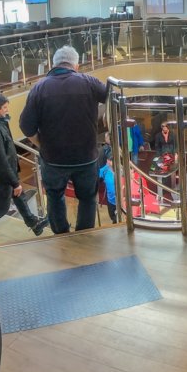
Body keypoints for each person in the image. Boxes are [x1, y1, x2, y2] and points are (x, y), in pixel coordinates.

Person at [20, 45, 108, 234]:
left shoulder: (39, 88)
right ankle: (84, 235)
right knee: (87, 198)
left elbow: (26, 126)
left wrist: (42, 144)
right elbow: (110, 95)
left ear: (54, 64)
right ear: (76, 66)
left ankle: (61, 235)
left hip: (53, 159)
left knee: (54, 197)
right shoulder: (89, 82)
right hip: (86, 157)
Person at [0, 93, 48, 244]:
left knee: (18, 195)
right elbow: (0, 160)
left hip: (5, 169)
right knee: (2, 206)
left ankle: (33, 224)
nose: (7, 110)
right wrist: (14, 182)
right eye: (5, 108)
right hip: (1, 172)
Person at [98, 155, 117, 223]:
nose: (109, 162)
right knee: (112, 216)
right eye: (109, 160)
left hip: (121, 201)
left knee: (117, 219)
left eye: (111, 160)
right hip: (111, 201)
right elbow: (97, 174)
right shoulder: (105, 169)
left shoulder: (121, 170)